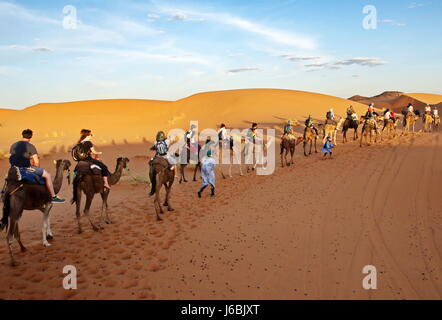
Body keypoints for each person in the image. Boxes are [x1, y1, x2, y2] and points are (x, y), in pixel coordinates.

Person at [9, 129, 65, 203]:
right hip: (26, 168)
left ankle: (3, 193)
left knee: (8, 178)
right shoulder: (31, 146)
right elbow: (36, 162)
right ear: (31, 137)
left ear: (22, 135)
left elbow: (14, 156)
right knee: (47, 175)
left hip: (14, 168)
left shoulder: (14, 145)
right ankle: (53, 197)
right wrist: (35, 167)